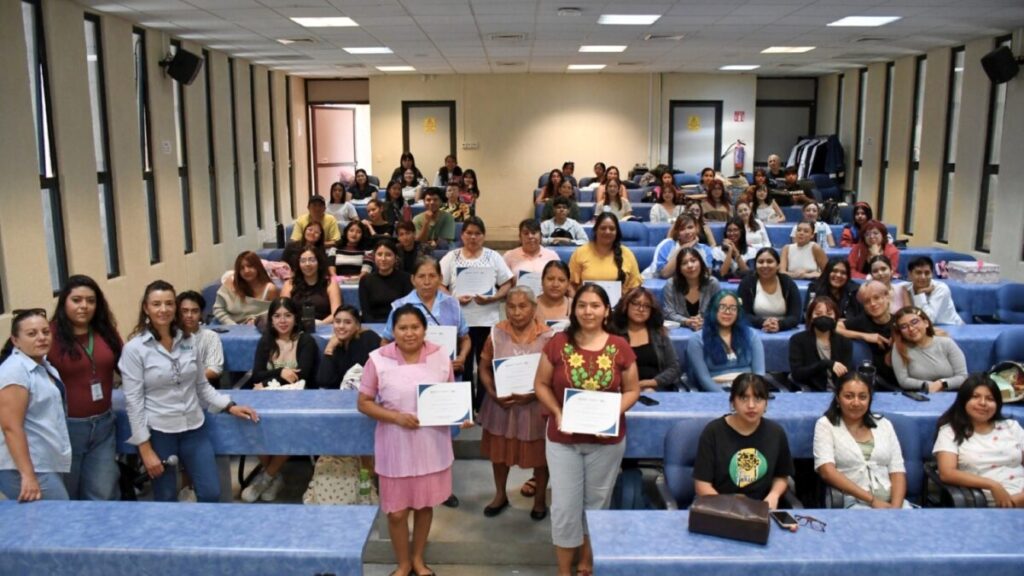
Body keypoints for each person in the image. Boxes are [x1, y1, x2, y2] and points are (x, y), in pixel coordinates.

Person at [533, 284, 640, 576]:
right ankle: (564, 570)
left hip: (606, 441)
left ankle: (587, 562)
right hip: (562, 439)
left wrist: (611, 414)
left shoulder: (620, 346)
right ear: (573, 309)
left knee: (597, 504)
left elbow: (632, 390)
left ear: (606, 311)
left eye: (595, 305)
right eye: (582, 305)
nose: (588, 311)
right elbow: (540, 384)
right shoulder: (557, 343)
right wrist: (557, 412)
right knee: (566, 507)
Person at [120, 281, 258, 503]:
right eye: (156, 304)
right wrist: (145, 450)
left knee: (211, 492)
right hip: (160, 432)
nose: (163, 309)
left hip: (194, 428)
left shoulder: (188, 340)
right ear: (146, 308)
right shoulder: (135, 349)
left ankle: (203, 537)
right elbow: (134, 402)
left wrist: (229, 405)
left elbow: (201, 386)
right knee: (165, 497)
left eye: (168, 303)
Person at [358, 305, 461, 576]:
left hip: (432, 444)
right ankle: (402, 563)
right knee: (397, 512)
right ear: (393, 331)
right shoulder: (378, 359)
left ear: (424, 329)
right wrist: (395, 417)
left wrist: (462, 415)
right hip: (395, 443)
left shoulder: (440, 356)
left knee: (425, 505)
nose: (409, 333)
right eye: (402, 328)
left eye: (415, 327)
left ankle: (417, 559)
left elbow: (451, 396)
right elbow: (364, 403)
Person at [477, 287, 554, 520]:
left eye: (523, 306)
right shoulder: (496, 332)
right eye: (511, 306)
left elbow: (552, 375)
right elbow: (483, 367)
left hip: (535, 406)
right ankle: (500, 495)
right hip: (502, 405)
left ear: (533, 307)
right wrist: (491, 391)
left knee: (540, 456)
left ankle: (540, 499)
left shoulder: (549, 336)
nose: (517, 312)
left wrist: (535, 394)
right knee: (499, 454)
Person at [47, 276, 122, 501]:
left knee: (103, 491)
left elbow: (129, 367)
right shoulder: (48, 335)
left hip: (103, 426)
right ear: (64, 302)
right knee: (69, 496)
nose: (84, 306)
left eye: (90, 300)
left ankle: (102, 536)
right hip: (65, 429)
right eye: (76, 300)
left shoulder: (106, 332)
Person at [241, 297, 320, 503]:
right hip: (267, 400)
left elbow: (301, 376)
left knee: (287, 428)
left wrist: (268, 381)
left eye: (287, 315)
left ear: (296, 318)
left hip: (298, 401)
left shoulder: (305, 341)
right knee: (250, 426)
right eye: (277, 316)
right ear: (270, 319)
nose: (282, 320)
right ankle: (275, 476)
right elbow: (256, 375)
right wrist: (281, 372)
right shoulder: (265, 341)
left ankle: (266, 477)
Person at [440, 217, 514, 406]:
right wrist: (453, 299)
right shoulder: (452, 257)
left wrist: (494, 297)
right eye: (469, 233)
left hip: (487, 320)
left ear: (483, 236)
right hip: (459, 321)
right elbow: (439, 284)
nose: (473, 237)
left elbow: (507, 282)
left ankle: (482, 405)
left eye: (477, 233)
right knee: (462, 365)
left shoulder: (493, 256)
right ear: (462, 235)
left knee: (484, 363)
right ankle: (464, 407)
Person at [0, 309, 71, 501]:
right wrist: (28, 475)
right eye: (32, 334)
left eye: (45, 332)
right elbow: (10, 427)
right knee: (60, 517)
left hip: (45, 461)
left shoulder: (43, 366)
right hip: (26, 467)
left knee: (39, 525)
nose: (41, 338)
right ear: (15, 340)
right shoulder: (14, 371)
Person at [693, 373, 794, 508]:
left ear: (766, 403)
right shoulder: (713, 432)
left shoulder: (776, 432)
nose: (751, 405)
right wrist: (732, 510)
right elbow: (702, 485)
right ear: (732, 402)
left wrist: (774, 495)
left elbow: (781, 476)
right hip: (720, 509)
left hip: (760, 510)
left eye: (758, 398)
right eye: (744, 398)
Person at [813, 372, 909, 508]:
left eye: (862, 397)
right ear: (838, 399)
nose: (856, 402)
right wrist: (872, 501)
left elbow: (897, 470)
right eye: (849, 396)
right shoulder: (825, 425)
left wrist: (896, 508)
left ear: (870, 399)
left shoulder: (884, 424)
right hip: (853, 502)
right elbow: (827, 471)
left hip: (892, 503)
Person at [934, 374, 1024, 507]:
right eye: (975, 397)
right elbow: (947, 473)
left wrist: (1019, 499)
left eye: (990, 399)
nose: (983, 403)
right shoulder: (950, 431)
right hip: (986, 504)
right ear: (963, 401)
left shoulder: (1011, 426)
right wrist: (993, 485)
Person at [382, 257, 472, 384]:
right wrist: (398, 363)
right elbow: (385, 341)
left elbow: (465, 338)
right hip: (409, 375)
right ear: (413, 280)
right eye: (421, 276)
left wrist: (461, 357)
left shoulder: (452, 304)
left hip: (446, 374)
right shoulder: (400, 306)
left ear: (440, 278)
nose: (427, 282)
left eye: (432, 276)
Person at [686, 292, 766, 392]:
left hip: (748, 392)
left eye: (733, 308)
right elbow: (704, 379)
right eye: (722, 307)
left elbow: (759, 373)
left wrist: (751, 394)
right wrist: (727, 398)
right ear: (713, 310)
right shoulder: (697, 340)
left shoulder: (751, 335)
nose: (728, 312)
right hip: (716, 394)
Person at [613, 287, 682, 391]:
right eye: (636, 304)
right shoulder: (614, 334)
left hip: (656, 388)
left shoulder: (659, 334)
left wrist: (651, 383)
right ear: (626, 305)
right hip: (622, 389)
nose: (641, 309)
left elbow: (674, 368)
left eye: (646, 306)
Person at [837, 281, 898, 391]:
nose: (873, 304)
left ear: (887, 297)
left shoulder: (900, 321)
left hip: (902, 376)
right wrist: (865, 336)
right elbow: (836, 327)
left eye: (876, 298)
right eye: (867, 302)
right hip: (874, 382)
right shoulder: (862, 321)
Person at [891, 306, 968, 392]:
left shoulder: (946, 343)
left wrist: (941, 383)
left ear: (926, 323)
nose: (911, 329)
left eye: (914, 322)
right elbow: (903, 381)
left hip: (951, 394)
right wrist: (927, 385)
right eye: (904, 326)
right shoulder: (899, 347)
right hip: (920, 396)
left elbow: (963, 377)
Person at [789, 296, 853, 391]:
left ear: (835, 318)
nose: (824, 317)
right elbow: (797, 374)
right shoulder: (797, 340)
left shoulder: (845, 342)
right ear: (811, 318)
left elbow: (846, 374)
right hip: (811, 391)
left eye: (829, 314)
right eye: (818, 314)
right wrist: (825, 364)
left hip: (838, 392)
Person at [568, 213, 643, 292]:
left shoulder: (627, 254)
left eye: (612, 229)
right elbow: (571, 285)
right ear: (596, 230)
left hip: (621, 303)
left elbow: (635, 287)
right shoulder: (580, 253)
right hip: (587, 303)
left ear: (617, 232)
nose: (607, 232)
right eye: (603, 228)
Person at [737, 248, 803, 333]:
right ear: (755, 265)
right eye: (760, 262)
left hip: (784, 329)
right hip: (756, 329)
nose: (765, 265)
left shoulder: (787, 282)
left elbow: (795, 316)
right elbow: (742, 314)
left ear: (778, 265)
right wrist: (762, 323)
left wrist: (780, 325)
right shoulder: (747, 283)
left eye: (769, 261)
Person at [317, 305, 381, 390]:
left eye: (347, 322)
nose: (341, 326)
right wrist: (329, 348)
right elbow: (323, 380)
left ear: (357, 325)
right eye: (337, 321)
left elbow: (356, 376)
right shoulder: (336, 343)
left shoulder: (368, 338)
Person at [213, 251, 279, 325]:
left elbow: (274, 313)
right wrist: (233, 326)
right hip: (229, 327)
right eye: (242, 268)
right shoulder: (231, 282)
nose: (246, 271)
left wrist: (256, 321)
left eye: (250, 266)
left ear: (258, 267)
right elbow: (218, 308)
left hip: (257, 328)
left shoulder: (270, 289)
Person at [662, 247, 721, 331]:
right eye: (684, 263)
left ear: (701, 263)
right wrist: (687, 321)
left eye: (693, 261)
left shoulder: (712, 283)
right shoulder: (671, 284)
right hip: (679, 330)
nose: (690, 265)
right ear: (680, 269)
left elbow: (718, 310)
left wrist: (705, 321)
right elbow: (668, 313)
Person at [281, 245, 342, 323]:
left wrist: (320, 324)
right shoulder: (289, 284)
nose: (307, 264)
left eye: (312, 260)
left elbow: (336, 313)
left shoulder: (331, 283)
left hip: (324, 326)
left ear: (319, 262)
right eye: (303, 261)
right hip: (296, 327)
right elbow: (283, 312)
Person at [176, 291, 224, 388]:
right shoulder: (169, 336)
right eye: (184, 311)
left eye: (194, 311)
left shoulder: (210, 336)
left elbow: (215, 369)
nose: (189, 315)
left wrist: (188, 378)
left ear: (201, 314)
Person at [359, 239, 414, 323]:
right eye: (379, 254)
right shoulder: (365, 280)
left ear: (395, 258)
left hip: (399, 324)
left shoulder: (406, 279)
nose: (383, 259)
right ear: (374, 257)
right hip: (373, 325)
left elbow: (408, 309)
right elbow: (366, 313)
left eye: (388, 255)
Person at [648, 214, 713, 280]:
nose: (687, 232)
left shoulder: (705, 250)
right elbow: (664, 274)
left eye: (690, 227)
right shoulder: (666, 245)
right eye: (682, 229)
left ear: (697, 228)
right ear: (677, 233)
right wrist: (683, 248)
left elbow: (706, 276)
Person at [902, 256, 963, 326]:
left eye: (927, 273)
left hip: (951, 327)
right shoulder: (907, 287)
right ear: (910, 275)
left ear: (932, 274)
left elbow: (928, 319)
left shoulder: (941, 289)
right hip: (926, 328)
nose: (923, 277)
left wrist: (920, 294)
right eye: (918, 273)